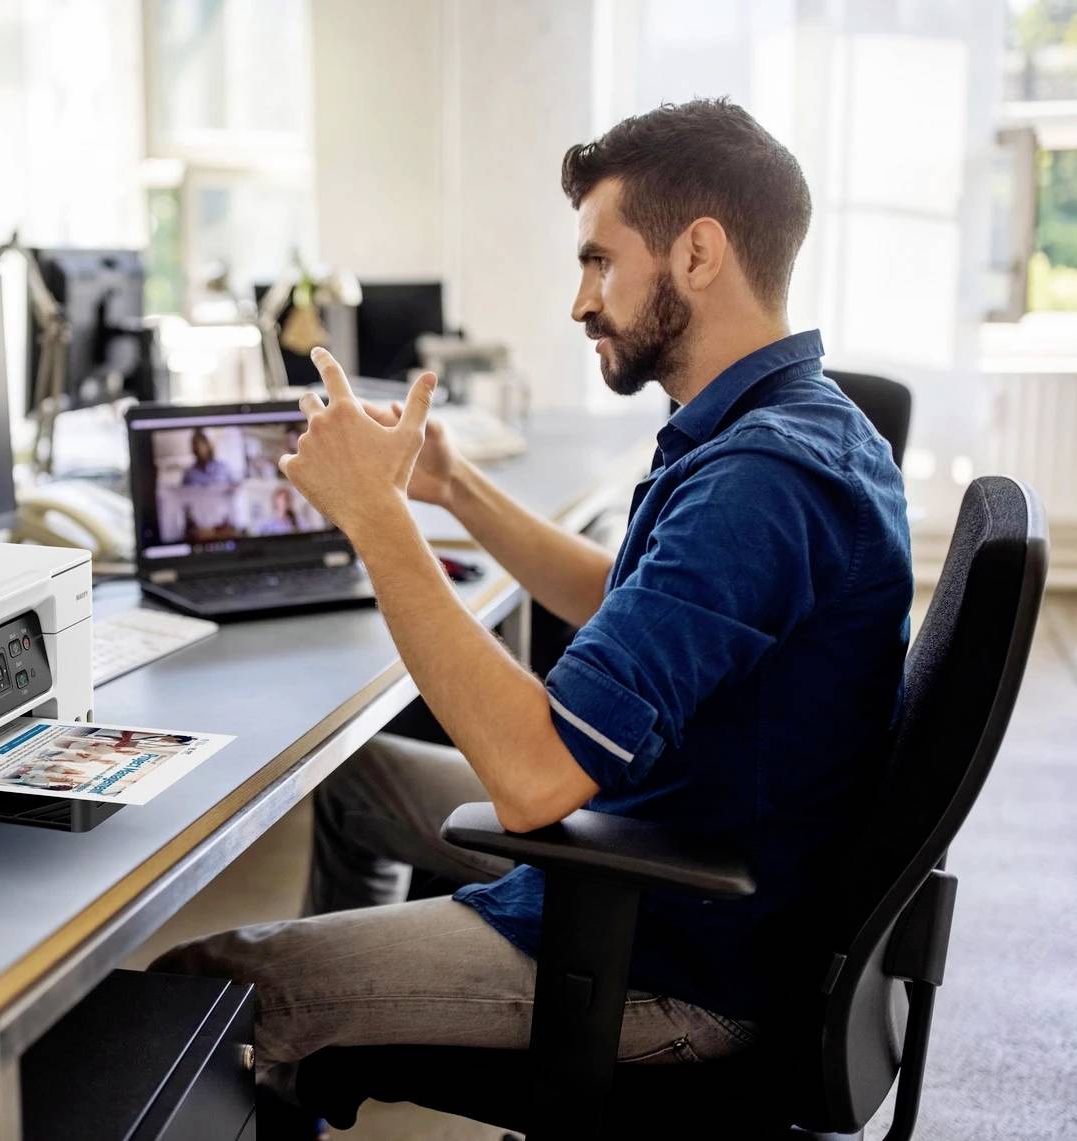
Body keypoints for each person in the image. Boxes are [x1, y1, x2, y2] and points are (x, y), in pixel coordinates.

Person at [152, 98, 912, 1104]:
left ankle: (298, 1035)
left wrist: (376, 518)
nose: (578, 300)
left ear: (696, 253)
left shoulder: (760, 479)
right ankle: (315, 1066)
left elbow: (531, 777)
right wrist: (449, 486)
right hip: (672, 855)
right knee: (352, 779)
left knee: (189, 989)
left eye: (598, 261)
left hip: (673, 959)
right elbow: (627, 599)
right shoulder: (784, 423)